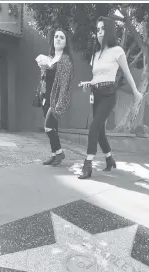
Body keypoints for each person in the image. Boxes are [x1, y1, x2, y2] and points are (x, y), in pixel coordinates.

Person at [78, 16, 142, 179]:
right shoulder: (96, 54)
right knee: (99, 131)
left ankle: (88, 164)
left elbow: (126, 72)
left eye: (102, 29)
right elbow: (96, 77)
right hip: (96, 93)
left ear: (110, 31)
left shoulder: (117, 51)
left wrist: (135, 91)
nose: (99, 33)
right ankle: (109, 159)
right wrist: (88, 83)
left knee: (93, 127)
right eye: (97, 29)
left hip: (108, 93)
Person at [37, 28, 73, 166]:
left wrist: (59, 103)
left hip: (57, 100)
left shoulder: (65, 61)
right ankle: (54, 155)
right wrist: (42, 68)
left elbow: (64, 84)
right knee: (53, 129)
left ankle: (59, 152)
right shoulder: (50, 59)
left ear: (65, 42)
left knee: (48, 127)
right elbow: (45, 80)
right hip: (46, 98)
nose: (58, 39)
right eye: (56, 36)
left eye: (62, 37)